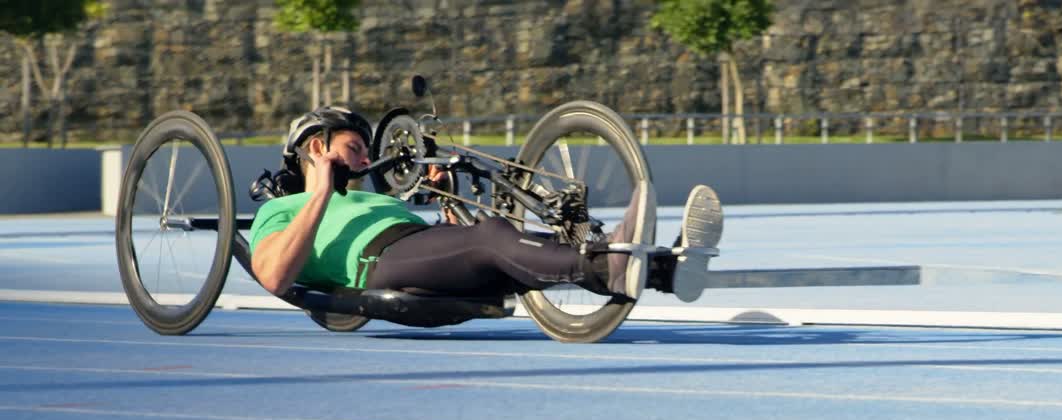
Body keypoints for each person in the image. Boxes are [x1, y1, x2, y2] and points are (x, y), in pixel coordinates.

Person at [247, 106, 722, 304]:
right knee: (491, 238)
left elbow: (451, 246)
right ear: (316, 147)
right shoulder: (280, 212)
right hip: (377, 264)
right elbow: (273, 277)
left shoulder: (371, 195)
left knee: (496, 237)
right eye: (355, 148)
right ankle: (611, 265)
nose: (368, 159)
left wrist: (445, 194)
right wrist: (320, 195)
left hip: (418, 247)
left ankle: (664, 271)